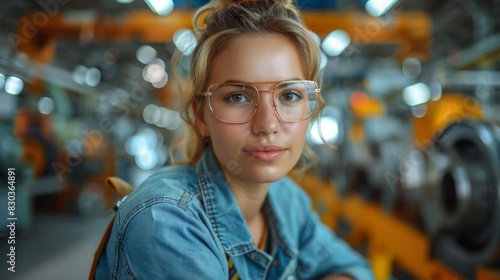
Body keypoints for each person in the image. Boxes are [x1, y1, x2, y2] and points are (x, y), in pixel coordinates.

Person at [94, 0, 373, 279]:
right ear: (201, 117)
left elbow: (352, 269)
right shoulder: (165, 223)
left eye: (289, 95)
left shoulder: (287, 201)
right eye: (238, 96)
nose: (267, 125)